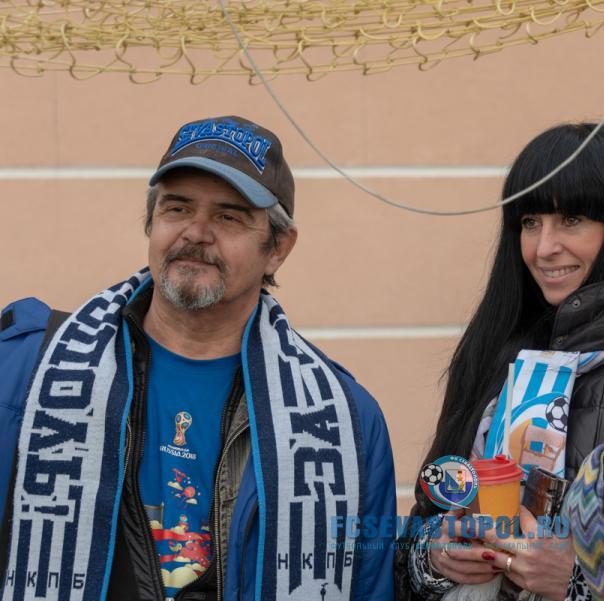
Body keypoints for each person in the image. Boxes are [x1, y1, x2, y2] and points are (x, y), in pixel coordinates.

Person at [0, 116, 396, 601]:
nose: (196, 232)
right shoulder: (26, 370)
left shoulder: (345, 420)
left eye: (229, 217)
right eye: (177, 208)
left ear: (278, 249)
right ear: (152, 222)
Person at [394, 123, 604, 601]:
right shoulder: (498, 345)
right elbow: (428, 514)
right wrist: (433, 558)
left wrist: (581, 581)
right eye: (530, 222)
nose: (543, 248)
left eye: (572, 220)